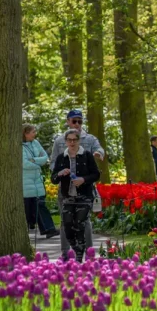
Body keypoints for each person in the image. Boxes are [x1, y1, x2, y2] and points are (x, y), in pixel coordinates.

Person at [51, 109, 105, 256]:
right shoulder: (59, 141)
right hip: (66, 189)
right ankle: (65, 253)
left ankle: (89, 252)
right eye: (74, 121)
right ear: (68, 122)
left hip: (85, 188)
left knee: (85, 220)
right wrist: (60, 173)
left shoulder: (90, 139)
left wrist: (99, 154)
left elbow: (99, 148)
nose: (77, 124)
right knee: (65, 221)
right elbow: (53, 163)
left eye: (80, 121)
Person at [22, 125, 59, 239]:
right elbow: (24, 163)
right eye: (33, 132)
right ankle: (26, 232)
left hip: (37, 180)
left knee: (40, 204)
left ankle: (49, 229)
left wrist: (34, 160)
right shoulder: (20, 146)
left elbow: (45, 158)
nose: (35, 134)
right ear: (25, 133)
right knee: (27, 208)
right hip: (25, 182)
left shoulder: (36, 143)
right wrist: (38, 164)